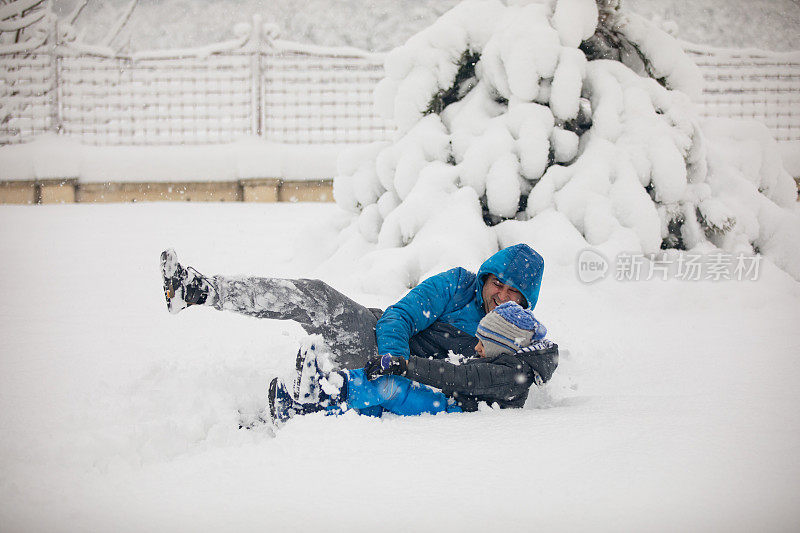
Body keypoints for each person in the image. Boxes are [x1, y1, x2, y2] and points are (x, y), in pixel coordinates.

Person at [160, 243, 545, 371]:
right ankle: (202, 290)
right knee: (315, 296)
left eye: (514, 292)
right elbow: (400, 315)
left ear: (526, 302)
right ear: (486, 277)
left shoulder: (517, 333)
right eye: (497, 283)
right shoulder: (459, 285)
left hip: (396, 379)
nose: (501, 295)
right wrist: (394, 362)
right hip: (375, 341)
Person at [267, 301, 559, 422]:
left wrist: (404, 365)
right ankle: (312, 412)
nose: (478, 346)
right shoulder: (510, 365)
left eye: (484, 342)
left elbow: (457, 377)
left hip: (452, 412)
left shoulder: (510, 374)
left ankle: (321, 394)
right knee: (378, 404)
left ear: (503, 344)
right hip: (452, 403)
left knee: (391, 387)